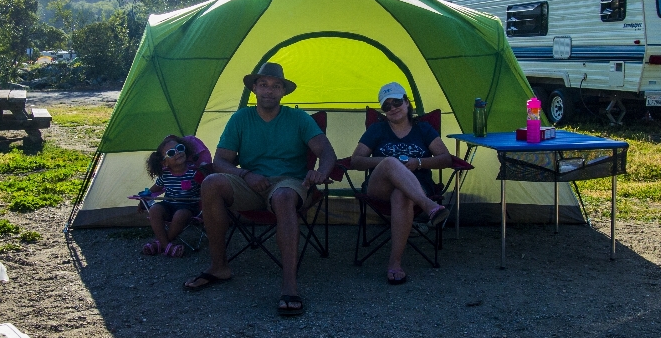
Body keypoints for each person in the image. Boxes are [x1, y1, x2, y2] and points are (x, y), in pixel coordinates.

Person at [183, 62, 337, 316]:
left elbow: (326, 152)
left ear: (283, 92)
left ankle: (290, 285)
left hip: (289, 182)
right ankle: (219, 266)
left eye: (276, 86)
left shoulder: (298, 118)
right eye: (263, 84)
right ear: (254, 88)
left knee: (284, 196)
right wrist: (245, 174)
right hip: (250, 182)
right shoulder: (241, 119)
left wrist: (321, 173)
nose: (269, 90)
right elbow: (220, 161)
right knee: (211, 183)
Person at [349, 82, 451, 285]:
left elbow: (446, 158)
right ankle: (429, 206)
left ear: (407, 102)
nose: (393, 108)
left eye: (397, 102)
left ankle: (395, 263)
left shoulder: (423, 129)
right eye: (386, 106)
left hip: (415, 185)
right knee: (389, 162)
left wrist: (418, 163)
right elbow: (356, 161)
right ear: (383, 111)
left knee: (401, 194)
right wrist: (389, 164)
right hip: (379, 187)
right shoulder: (377, 129)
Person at [139, 134, 212, 257]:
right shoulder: (165, 175)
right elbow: (156, 188)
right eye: (171, 153)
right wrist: (144, 199)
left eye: (180, 148)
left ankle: (162, 244)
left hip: (188, 208)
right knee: (155, 210)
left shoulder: (195, 172)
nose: (177, 152)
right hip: (168, 205)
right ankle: (166, 245)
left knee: (181, 214)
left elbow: (205, 188)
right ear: (165, 162)